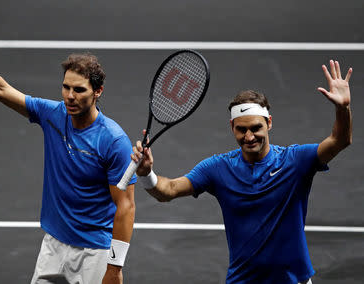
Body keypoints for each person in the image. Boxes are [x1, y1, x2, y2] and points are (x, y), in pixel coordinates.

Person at [0, 28, 136, 284]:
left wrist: (114, 267)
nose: (70, 96)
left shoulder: (113, 141)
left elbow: (126, 206)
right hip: (53, 244)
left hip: (94, 253)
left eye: (79, 90)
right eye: (66, 87)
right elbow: (1, 90)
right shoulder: (53, 114)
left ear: (98, 91)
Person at [132, 60, 353, 283]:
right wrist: (146, 174)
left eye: (256, 128)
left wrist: (342, 108)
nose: (249, 137)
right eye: (242, 129)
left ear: (269, 123)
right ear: (232, 128)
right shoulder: (217, 168)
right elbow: (167, 190)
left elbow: (340, 141)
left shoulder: (295, 161)